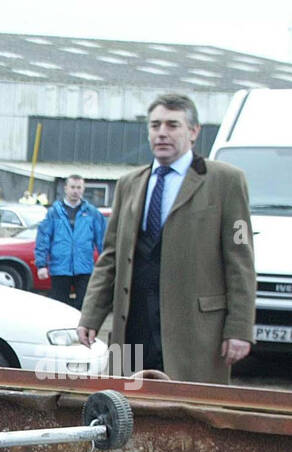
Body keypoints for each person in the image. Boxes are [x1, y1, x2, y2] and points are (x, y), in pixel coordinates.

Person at [79, 93, 255, 384]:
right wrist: (90, 315)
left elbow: (241, 262)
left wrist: (239, 329)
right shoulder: (129, 184)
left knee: (190, 415)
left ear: (194, 131)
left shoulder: (225, 181)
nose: (162, 133)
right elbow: (110, 257)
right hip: (133, 326)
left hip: (195, 334)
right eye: (155, 125)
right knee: (127, 406)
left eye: (173, 125)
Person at [34, 174, 107, 310]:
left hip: (84, 268)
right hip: (60, 268)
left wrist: (108, 266)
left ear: (83, 189)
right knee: (59, 307)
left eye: (79, 187)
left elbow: (103, 241)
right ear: (66, 188)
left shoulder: (92, 213)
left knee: (85, 307)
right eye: (72, 187)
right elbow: (43, 239)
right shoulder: (54, 213)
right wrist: (41, 264)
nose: (75, 191)